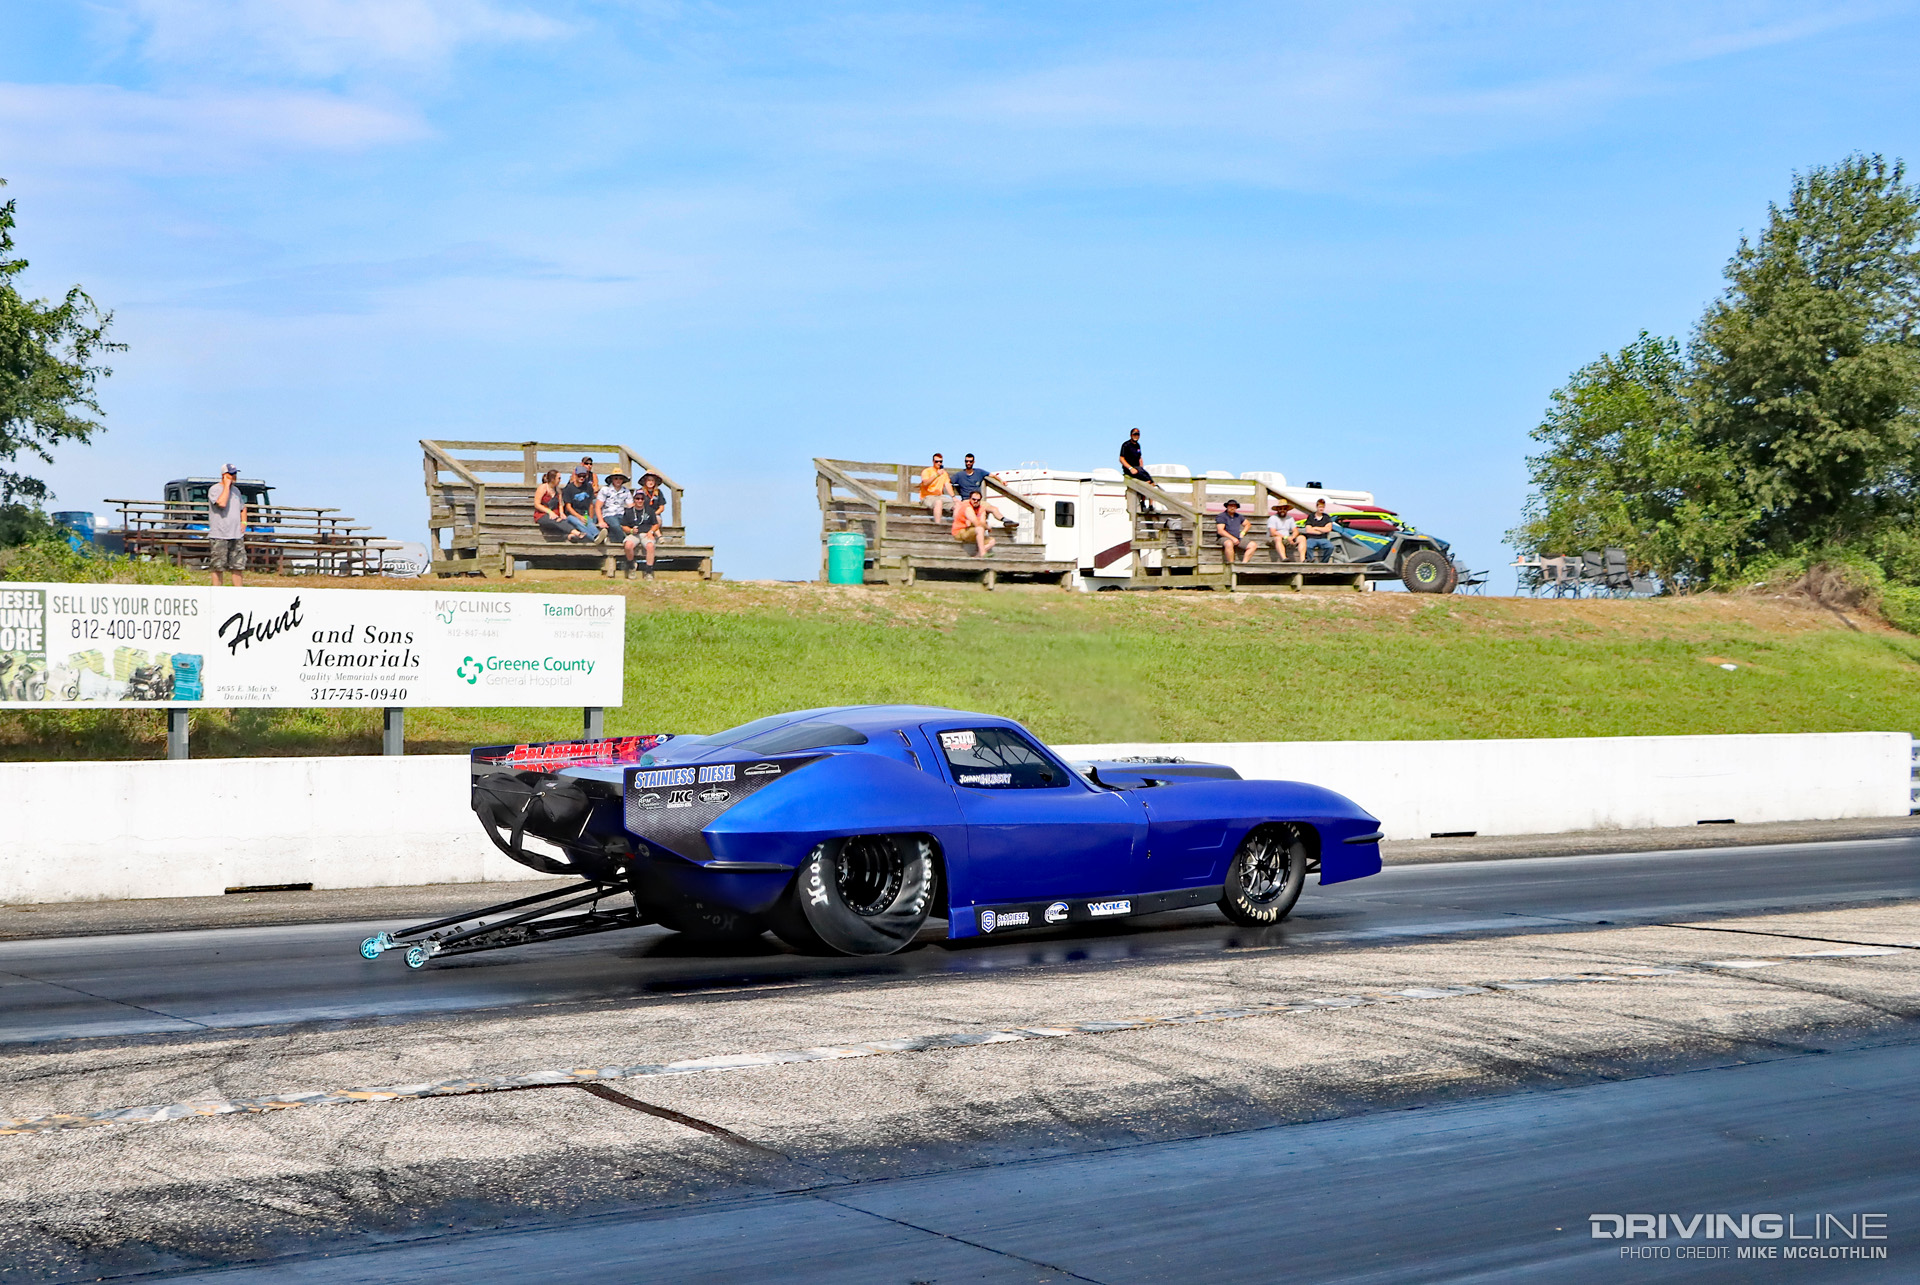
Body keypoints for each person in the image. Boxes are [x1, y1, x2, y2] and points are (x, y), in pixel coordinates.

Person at [206, 463, 248, 585]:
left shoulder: (237, 491)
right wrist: (227, 486)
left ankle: (238, 594)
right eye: (231, 474)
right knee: (218, 566)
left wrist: (244, 522)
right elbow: (222, 503)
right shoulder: (214, 489)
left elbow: (243, 508)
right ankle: (217, 593)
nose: (234, 476)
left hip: (236, 535)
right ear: (224, 475)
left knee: (238, 566)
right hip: (219, 534)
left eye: (235, 474)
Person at [626, 472, 668, 579]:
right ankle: (631, 566)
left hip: (652, 516)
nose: (640, 500)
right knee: (628, 545)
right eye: (648, 480)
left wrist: (654, 514)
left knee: (650, 544)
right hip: (638, 525)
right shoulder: (640, 492)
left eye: (652, 480)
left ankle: (649, 571)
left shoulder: (658, 492)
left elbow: (662, 507)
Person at [534, 470, 582, 540]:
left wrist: (561, 513)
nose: (560, 480)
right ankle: (576, 533)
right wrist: (549, 512)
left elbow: (560, 504)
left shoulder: (558, 490)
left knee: (563, 520)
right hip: (542, 514)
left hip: (555, 513)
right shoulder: (543, 488)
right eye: (558, 478)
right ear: (553, 479)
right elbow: (537, 504)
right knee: (555, 521)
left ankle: (569, 536)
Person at [600, 470, 637, 559]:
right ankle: (626, 543)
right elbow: (598, 506)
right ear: (612, 479)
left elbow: (631, 506)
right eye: (616, 478)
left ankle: (624, 546)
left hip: (621, 514)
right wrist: (601, 520)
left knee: (630, 525)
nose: (618, 480)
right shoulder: (605, 490)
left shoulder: (626, 491)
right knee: (616, 525)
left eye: (620, 478)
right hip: (608, 514)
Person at [561, 465, 600, 541]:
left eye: (583, 476)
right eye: (579, 476)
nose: (581, 478)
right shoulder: (569, 488)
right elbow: (568, 507)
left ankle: (597, 535)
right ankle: (594, 538)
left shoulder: (588, 487)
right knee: (578, 523)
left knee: (589, 523)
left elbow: (591, 504)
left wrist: (590, 518)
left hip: (584, 513)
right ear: (575, 475)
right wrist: (579, 517)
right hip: (571, 515)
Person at [951, 492, 996, 557]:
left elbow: (982, 522)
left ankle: (977, 556)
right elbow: (977, 523)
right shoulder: (967, 507)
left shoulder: (981, 509)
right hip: (960, 531)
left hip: (972, 531)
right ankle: (983, 553)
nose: (976, 501)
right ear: (970, 499)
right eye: (974, 499)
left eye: (978, 500)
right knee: (980, 529)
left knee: (992, 541)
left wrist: (984, 526)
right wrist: (987, 527)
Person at [1216, 499, 1255, 564]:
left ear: (1236, 507)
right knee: (1229, 543)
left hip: (1237, 537)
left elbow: (1248, 524)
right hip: (1224, 538)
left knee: (1253, 545)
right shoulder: (1222, 516)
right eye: (1230, 506)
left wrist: (1242, 533)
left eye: (1234, 506)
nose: (1232, 507)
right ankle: (1232, 565)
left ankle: (1244, 564)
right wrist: (1232, 538)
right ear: (1227, 506)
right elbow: (1220, 531)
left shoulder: (1239, 516)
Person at [919, 453, 955, 523]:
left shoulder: (944, 473)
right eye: (936, 461)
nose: (939, 463)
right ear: (933, 462)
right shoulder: (927, 471)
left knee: (957, 505)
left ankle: (955, 529)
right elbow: (925, 483)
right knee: (938, 503)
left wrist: (953, 497)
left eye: (940, 461)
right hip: (927, 497)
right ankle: (938, 526)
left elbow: (948, 485)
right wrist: (936, 475)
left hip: (940, 496)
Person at [1301, 498, 1337, 563]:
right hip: (1312, 538)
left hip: (1323, 539)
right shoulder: (1311, 516)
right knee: (1308, 546)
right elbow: (1308, 530)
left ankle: (1324, 562)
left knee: (1330, 547)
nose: (1321, 509)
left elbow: (1328, 529)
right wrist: (1322, 530)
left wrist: (1315, 528)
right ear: (1317, 507)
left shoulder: (1326, 517)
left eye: (1323, 507)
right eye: (1320, 507)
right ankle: (1311, 561)